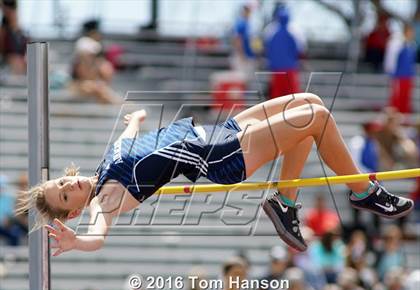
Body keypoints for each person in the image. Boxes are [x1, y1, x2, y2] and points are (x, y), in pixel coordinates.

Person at [15, 93, 414, 254]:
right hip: (223, 156)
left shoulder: (106, 164)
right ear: (72, 211)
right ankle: (363, 191)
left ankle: (286, 202)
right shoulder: (107, 197)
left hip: (220, 132)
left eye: (63, 182)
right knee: (317, 118)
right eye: (65, 195)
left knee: (308, 103)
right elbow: (99, 236)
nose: (71, 185)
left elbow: (129, 135)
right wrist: (76, 241)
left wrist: (135, 117)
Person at [70, 19, 122, 105]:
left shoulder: (101, 64)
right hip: (79, 86)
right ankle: (121, 105)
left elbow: (106, 77)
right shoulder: (80, 61)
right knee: (99, 90)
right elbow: (79, 79)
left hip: (93, 87)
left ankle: (120, 105)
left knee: (101, 90)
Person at [263, 5, 305, 98]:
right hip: (291, 69)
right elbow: (301, 50)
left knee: (276, 97)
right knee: (292, 97)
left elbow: (266, 48)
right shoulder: (295, 30)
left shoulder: (270, 30)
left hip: (276, 70)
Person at [384, 23, 417, 114]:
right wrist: (391, 72)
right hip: (398, 75)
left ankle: (404, 116)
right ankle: (394, 117)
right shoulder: (396, 44)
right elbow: (391, 59)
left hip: (408, 75)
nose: (412, 34)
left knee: (406, 97)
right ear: (405, 32)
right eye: (410, 32)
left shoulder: (412, 45)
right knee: (396, 97)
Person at [0, 0, 27, 75]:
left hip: (20, 61)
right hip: (9, 62)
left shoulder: (21, 32)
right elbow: (2, 51)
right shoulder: (3, 31)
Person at [231, 4, 256, 80]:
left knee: (247, 80)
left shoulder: (248, 24)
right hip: (242, 57)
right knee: (241, 79)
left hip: (248, 56)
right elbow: (237, 39)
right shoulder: (240, 23)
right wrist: (241, 55)